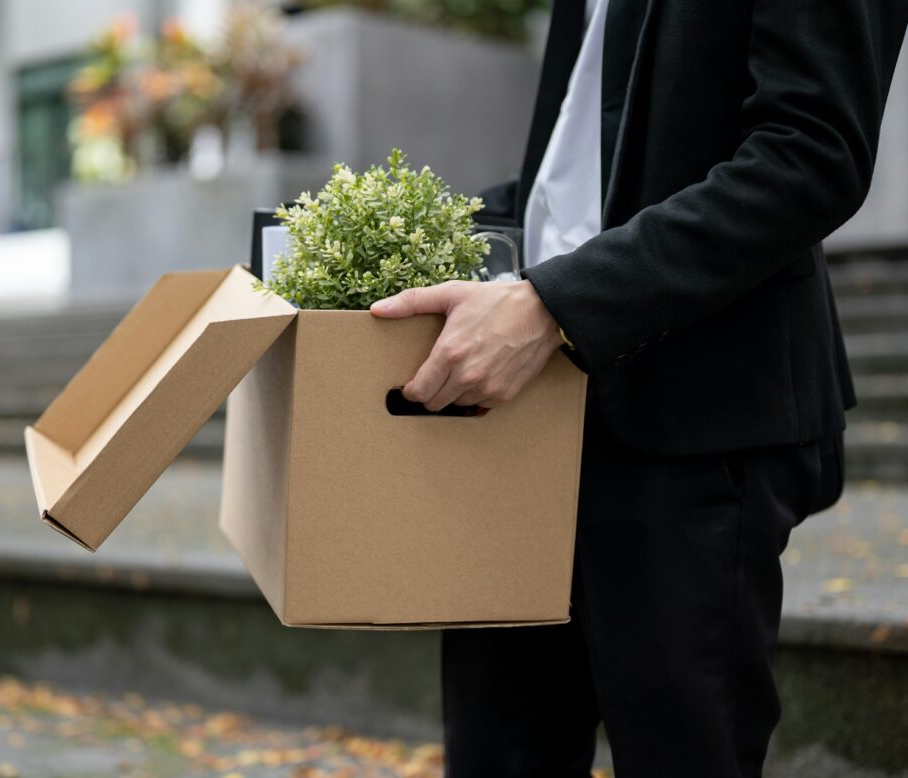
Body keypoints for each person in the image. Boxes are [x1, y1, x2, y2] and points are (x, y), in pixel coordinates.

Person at [369, 0, 908, 775]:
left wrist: (556, 305)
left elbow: (812, 154)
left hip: (693, 421)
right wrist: (366, 233)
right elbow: (570, 187)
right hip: (526, 420)